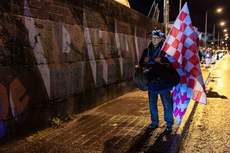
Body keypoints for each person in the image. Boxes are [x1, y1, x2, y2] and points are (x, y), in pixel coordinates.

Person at [138, 29, 174, 133]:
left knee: (166, 103)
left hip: (163, 81)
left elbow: (171, 62)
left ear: (160, 39)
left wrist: (161, 60)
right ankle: (154, 122)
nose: (154, 40)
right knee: (152, 103)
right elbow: (141, 62)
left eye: (157, 39)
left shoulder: (165, 50)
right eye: (153, 38)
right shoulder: (147, 50)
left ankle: (169, 123)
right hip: (151, 80)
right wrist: (142, 62)